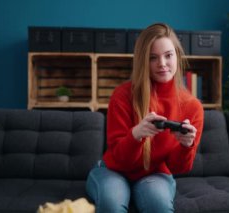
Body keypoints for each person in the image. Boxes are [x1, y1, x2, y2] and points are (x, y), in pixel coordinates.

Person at [86, 23, 204, 213]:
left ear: (177, 56)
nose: (162, 64)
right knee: (111, 203)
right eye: (153, 58)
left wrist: (185, 146)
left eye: (168, 55)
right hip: (113, 170)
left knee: (158, 205)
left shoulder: (192, 106)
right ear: (143, 61)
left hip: (156, 174)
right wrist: (135, 135)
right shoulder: (122, 95)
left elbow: (179, 167)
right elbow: (118, 158)